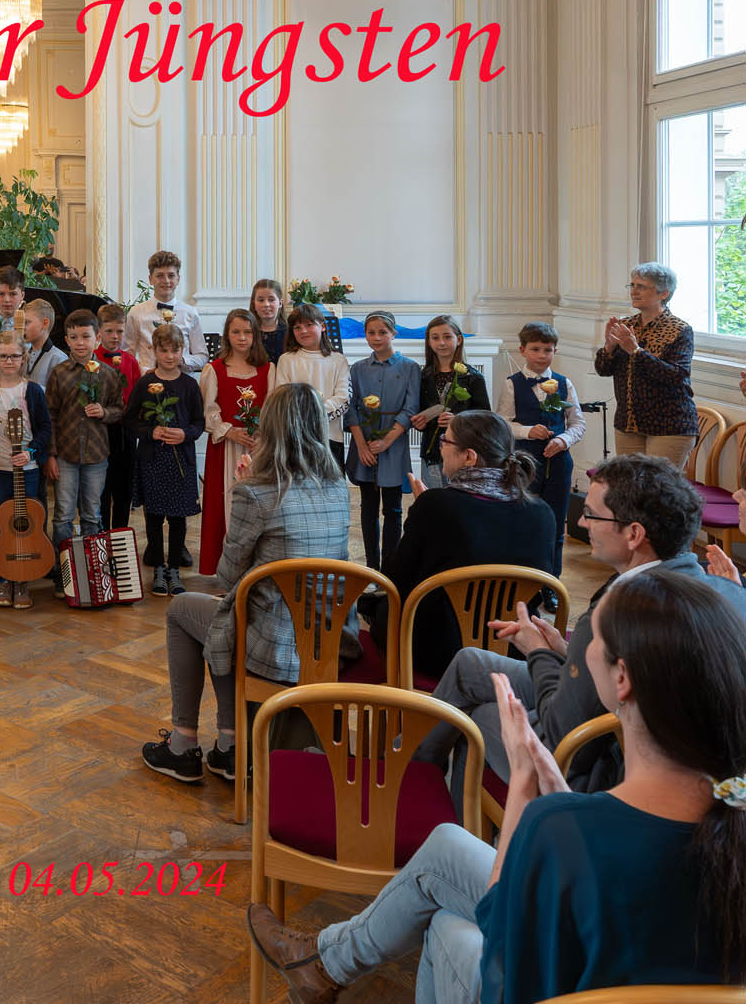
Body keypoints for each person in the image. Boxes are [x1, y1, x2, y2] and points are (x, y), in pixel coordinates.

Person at [248, 569, 746, 1004]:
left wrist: (525, 792)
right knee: (446, 845)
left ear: (623, 680)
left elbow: (507, 956)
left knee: (448, 925)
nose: (577, 648)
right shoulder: (731, 804)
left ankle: (325, 966)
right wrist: (561, 800)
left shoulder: (562, 829)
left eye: (589, 639)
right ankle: (322, 965)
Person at [417, 453, 746, 799]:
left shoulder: (615, 613)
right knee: (471, 663)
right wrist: (568, 651)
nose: (581, 522)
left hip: (609, 775)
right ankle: (413, 765)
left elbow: (562, 740)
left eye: (591, 514)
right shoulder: (731, 592)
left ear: (634, 534)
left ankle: (444, 799)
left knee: (480, 717)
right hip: (698, 771)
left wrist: (539, 652)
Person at [142, 384, 351, 783]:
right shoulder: (338, 485)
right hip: (327, 638)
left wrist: (241, 490)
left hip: (275, 644)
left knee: (184, 610)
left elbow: (227, 577)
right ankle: (227, 746)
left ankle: (185, 743)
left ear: (269, 428)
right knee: (229, 614)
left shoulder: (256, 493)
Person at [382, 410, 556, 682]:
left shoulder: (436, 506)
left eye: (445, 441)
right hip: (516, 648)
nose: (441, 448)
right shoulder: (542, 512)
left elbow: (397, 581)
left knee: (378, 608)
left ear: (469, 457)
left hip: (444, 650)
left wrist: (423, 511)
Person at [497, 321, 584, 579]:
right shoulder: (512, 384)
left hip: (558, 464)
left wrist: (564, 440)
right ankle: (524, 578)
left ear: (555, 351)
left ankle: (551, 581)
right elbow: (503, 423)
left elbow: (577, 423)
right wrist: (527, 431)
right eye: (535, 349)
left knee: (555, 524)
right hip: (525, 464)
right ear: (522, 350)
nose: (542, 355)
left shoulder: (564, 383)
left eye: (548, 350)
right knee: (525, 521)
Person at [594, 261, 698, 468]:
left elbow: (675, 375)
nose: (634, 291)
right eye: (632, 285)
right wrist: (609, 347)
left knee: (658, 486)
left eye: (641, 286)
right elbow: (603, 370)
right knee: (630, 484)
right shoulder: (627, 325)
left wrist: (636, 351)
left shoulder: (680, 329)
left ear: (663, 294)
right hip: (628, 423)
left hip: (669, 425)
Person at [0, 330, 51, 609]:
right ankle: (5, 579)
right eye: (3, 356)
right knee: (1, 523)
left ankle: (23, 580)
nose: (9, 361)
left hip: (27, 469)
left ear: (24, 358)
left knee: (26, 522)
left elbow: (44, 429)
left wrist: (31, 452)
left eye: (14, 356)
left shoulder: (32, 391)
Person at [125, 324, 203, 596]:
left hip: (181, 459)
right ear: (154, 351)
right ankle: (158, 567)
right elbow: (130, 420)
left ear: (183, 351)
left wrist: (185, 434)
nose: (170, 356)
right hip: (153, 459)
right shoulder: (145, 384)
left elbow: (199, 422)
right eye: (164, 350)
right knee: (155, 517)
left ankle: (174, 569)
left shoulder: (190, 385)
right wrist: (150, 432)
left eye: (175, 350)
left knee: (179, 518)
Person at [44, 310, 124, 559]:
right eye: (74, 337)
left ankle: (93, 568)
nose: (80, 343)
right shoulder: (58, 373)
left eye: (86, 336)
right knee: (63, 514)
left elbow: (119, 409)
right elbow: (50, 416)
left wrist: (104, 412)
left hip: (96, 455)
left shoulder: (108, 374)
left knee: (92, 514)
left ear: (97, 338)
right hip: (65, 455)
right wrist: (51, 455)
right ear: (66, 340)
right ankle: (63, 567)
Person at [345, 310, 420, 572]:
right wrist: (362, 446)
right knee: (367, 509)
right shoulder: (357, 368)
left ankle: (389, 569)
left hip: (393, 444)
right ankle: (370, 567)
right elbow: (351, 408)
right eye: (371, 333)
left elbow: (410, 408)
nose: (376, 338)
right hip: (364, 445)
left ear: (393, 334)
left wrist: (387, 441)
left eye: (382, 332)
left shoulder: (410, 368)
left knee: (393, 509)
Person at [198, 308, 271, 576]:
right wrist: (229, 431)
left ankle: (257, 566)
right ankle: (227, 568)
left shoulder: (268, 369)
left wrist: (261, 435)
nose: (242, 337)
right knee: (226, 503)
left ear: (256, 335)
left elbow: (272, 408)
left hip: (258, 447)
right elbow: (208, 410)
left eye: (248, 332)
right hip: (225, 447)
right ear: (227, 335)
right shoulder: (214, 369)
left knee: (258, 505)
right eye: (236, 332)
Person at [410, 315, 490, 489]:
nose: (441, 343)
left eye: (447, 337)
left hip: (463, 451)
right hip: (431, 451)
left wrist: (457, 420)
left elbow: (485, 418)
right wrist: (418, 423)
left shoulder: (473, 377)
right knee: (434, 498)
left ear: (458, 340)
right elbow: (419, 412)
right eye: (435, 338)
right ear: (429, 342)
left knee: (460, 498)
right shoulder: (423, 377)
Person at [274, 304, 351, 467]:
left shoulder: (338, 360)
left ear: (322, 326)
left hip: (330, 436)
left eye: (309, 325)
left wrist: (316, 417)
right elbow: (283, 397)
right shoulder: (287, 360)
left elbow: (343, 397)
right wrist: (302, 420)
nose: (303, 331)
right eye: (297, 327)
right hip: (296, 436)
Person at [96, 303, 142, 530]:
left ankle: (120, 534)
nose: (115, 336)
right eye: (109, 331)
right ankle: (102, 533)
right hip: (99, 431)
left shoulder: (130, 361)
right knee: (102, 488)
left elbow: (136, 395)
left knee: (123, 488)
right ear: (99, 332)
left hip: (124, 431)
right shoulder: (92, 359)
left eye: (120, 331)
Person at [126, 251, 206, 375]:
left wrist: (183, 361)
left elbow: (202, 356)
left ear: (178, 279)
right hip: (148, 379)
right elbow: (127, 355)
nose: (166, 280)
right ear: (150, 279)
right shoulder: (136, 313)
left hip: (181, 378)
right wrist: (145, 371)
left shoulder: (190, 313)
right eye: (160, 276)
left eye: (171, 275)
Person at [21, 299, 67, 389]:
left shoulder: (59, 358)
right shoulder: (23, 354)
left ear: (45, 324)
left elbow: (59, 394)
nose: (23, 327)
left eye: (26, 322)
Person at [251, 278, 287, 363]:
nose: (266, 304)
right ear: (254, 304)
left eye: (271, 300)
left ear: (280, 303)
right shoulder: (248, 331)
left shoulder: (290, 332)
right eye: (261, 300)